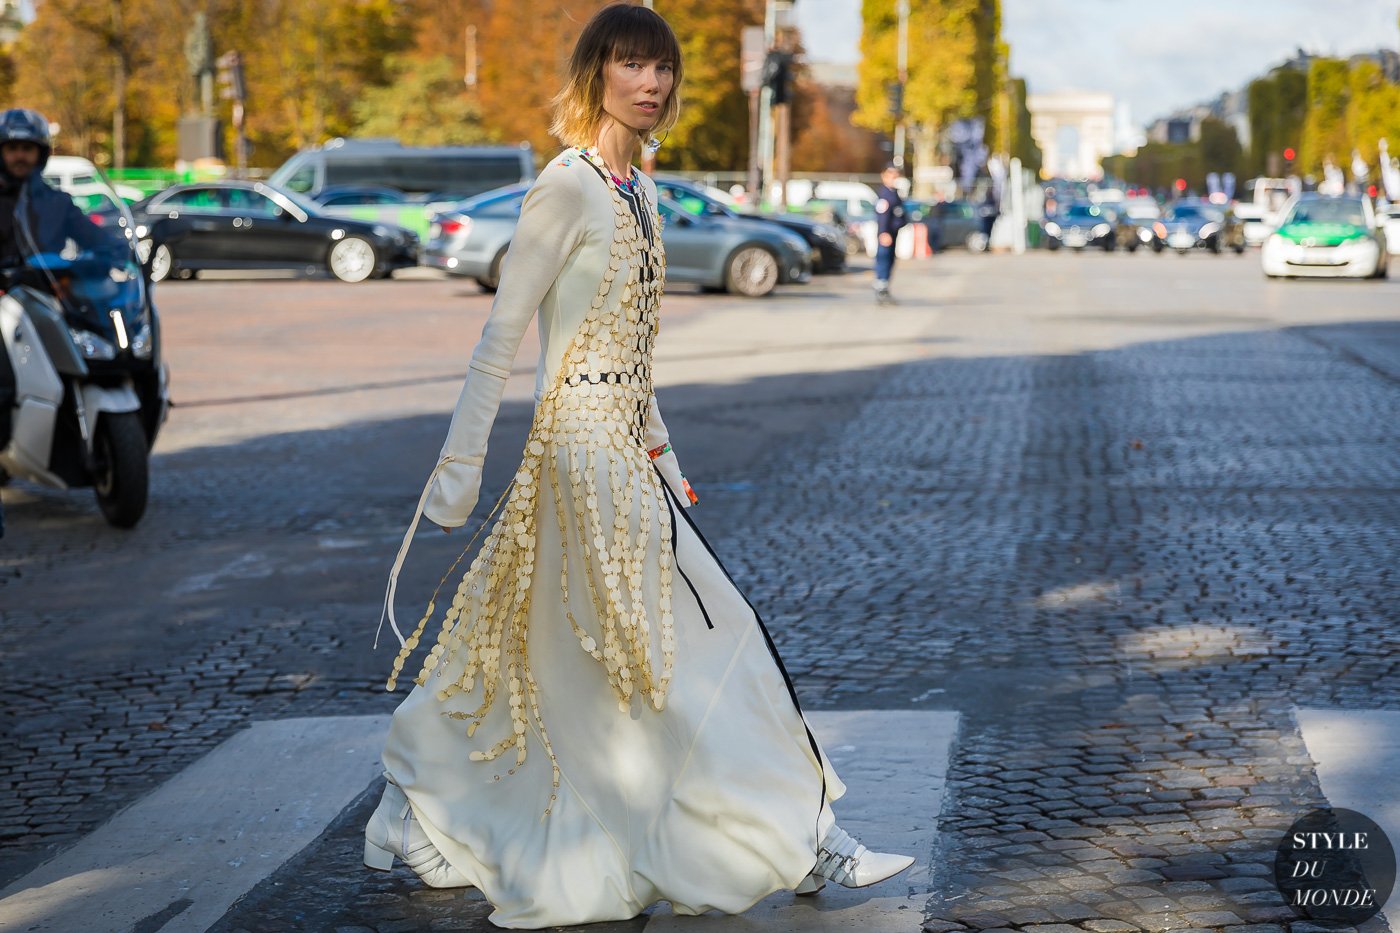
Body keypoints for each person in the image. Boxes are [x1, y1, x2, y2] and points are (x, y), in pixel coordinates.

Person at [366, 5, 913, 928]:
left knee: (521, 653)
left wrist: (662, 445)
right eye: (632, 65)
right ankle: (804, 838)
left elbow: (631, 347)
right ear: (595, 76)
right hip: (577, 456)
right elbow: (502, 339)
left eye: (662, 69)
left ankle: (406, 804)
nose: (652, 84)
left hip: (625, 453)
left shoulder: (641, 193)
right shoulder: (567, 187)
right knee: (691, 647)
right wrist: (459, 467)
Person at [873, 163, 906, 304]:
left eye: (895, 174)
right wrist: (883, 232)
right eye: (890, 174)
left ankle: (885, 289)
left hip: (893, 233)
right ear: (884, 176)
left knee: (890, 260)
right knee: (884, 260)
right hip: (887, 235)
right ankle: (881, 290)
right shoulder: (885, 194)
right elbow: (883, 216)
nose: (894, 177)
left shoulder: (894, 193)